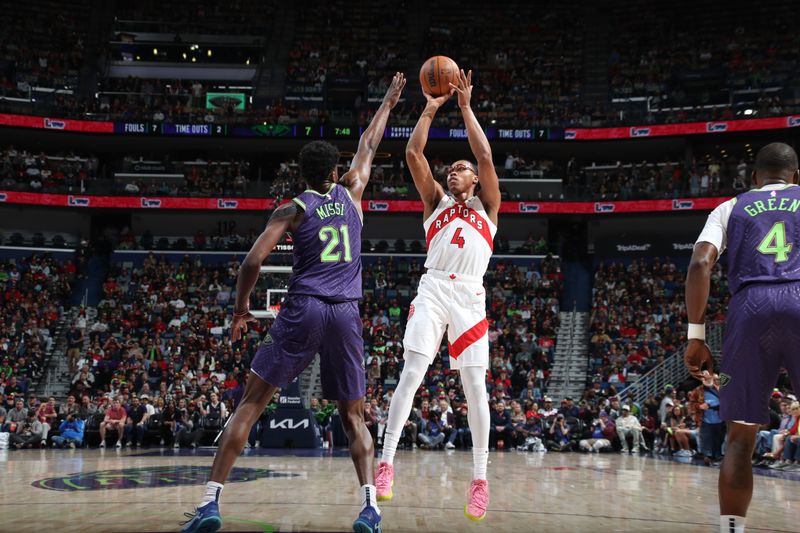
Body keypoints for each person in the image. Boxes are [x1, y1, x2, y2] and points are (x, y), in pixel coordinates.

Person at [180, 73, 405, 533]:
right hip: (345, 312)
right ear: (335, 170)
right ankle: (369, 510)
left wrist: (242, 309)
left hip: (303, 309)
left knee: (251, 404)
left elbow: (251, 262)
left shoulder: (291, 209)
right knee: (353, 416)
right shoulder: (354, 190)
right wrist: (386, 102)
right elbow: (368, 143)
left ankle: (209, 505)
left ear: (301, 175)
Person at [376, 69, 501, 523]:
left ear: (476, 180)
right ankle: (386, 461)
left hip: (469, 298)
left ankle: (480, 481)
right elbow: (413, 152)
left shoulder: (489, 207)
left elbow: (484, 154)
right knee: (411, 372)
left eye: (460, 169)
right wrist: (430, 107)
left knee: (475, 390)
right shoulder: (434, 202)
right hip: (432, 288)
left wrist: (465, 106)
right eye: (452, 169)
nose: (455, 171)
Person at [685, 142, 800, 533]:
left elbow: (701, 262)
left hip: (748, 310)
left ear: (754, 179)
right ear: (795, 178)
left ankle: (732, 529)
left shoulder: (731, 206)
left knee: (740, 437)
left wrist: (696, 335)